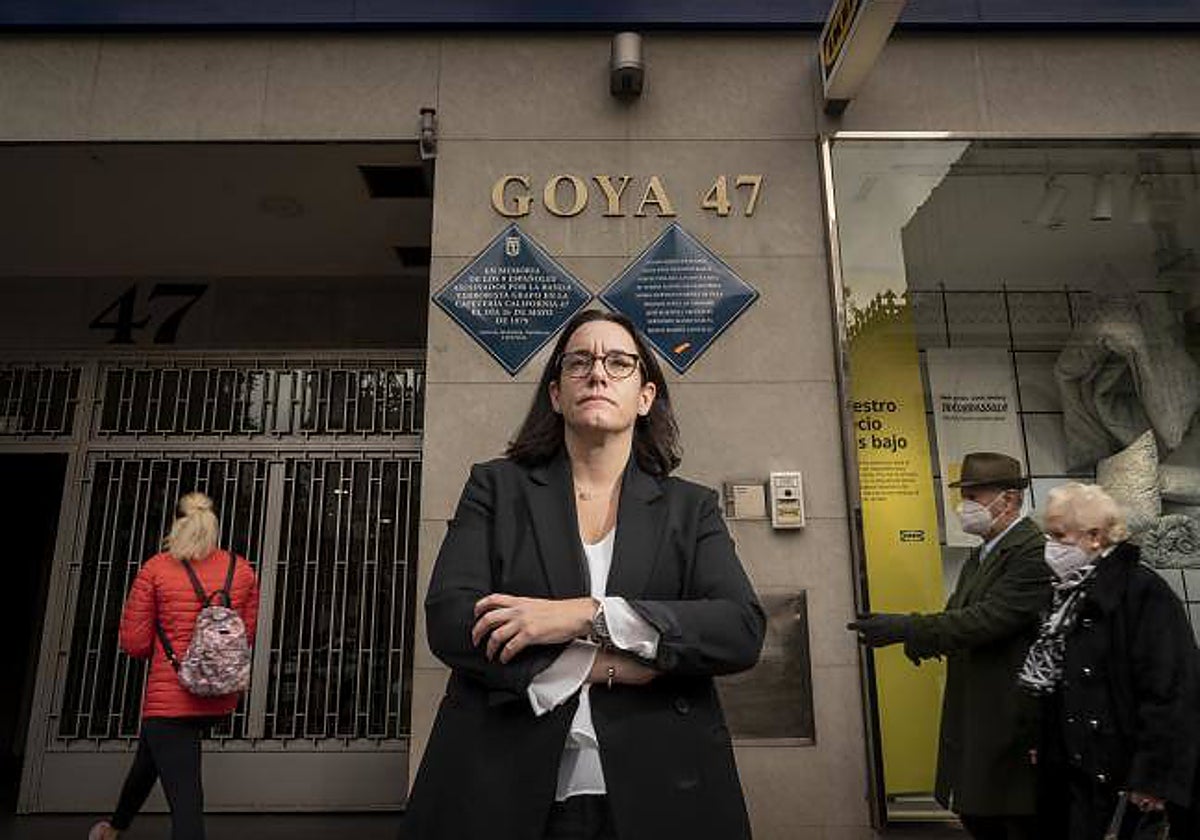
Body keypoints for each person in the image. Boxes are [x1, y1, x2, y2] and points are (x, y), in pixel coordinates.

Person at [405, 309, 767, 840]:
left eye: (619, 362)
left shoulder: (692, 508)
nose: (597, 373)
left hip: (664, 787)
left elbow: (739, 629)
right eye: (580, 362)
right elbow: (452, 619)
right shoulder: (496, 488)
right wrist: (599, 667)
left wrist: (586, 615)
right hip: (503, 785)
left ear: (645, 396)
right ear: (556, 394)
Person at [848, 451, 1051, 840]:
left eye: (974, 496)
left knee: (1009, 816)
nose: (964, 506)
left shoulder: (1031, 552)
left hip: (1009, 711)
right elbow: (958, 614)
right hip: (976, 703)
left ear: (1008, 500)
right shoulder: (982, 554)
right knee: (977, 810)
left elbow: (988, 620)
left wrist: (910, 629)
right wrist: (915, 638)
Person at [1018, 482, 1200, 840]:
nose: (1051, 548)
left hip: (1125, 780)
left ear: (1095, 536)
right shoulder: (1066, 598)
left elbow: (1171, 691)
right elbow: (1057, 684)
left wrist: (1153, 779)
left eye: (1059, 535)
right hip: (1076, 775)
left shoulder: (1142, 593)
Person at [88, 491, 260, 840]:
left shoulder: (156, 568)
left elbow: (134, 644)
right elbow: (246, 635)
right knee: (150, 757)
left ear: (174, 526)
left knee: (186, 800)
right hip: (218, 694)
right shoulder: (239, 569)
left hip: (172, 696)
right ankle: (115, 827)